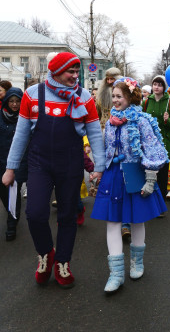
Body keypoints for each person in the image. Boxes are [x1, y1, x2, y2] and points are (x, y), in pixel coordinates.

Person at [2, 52, 105, 288]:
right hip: (40, 164)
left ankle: (63, 261)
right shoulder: (32, 94)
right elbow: (21, 135)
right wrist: (11, 168)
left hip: (70, 163)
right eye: (70, 70)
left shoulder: (84, 96)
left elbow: (95, 134)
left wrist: (99, 167)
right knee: (35, 213)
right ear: (56, 70)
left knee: (68, 215)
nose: (74, 75)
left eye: (76, 70)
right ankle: (46, 253)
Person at [91, 78, 168, 293]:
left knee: (137, 220)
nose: (115, 100)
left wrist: (151, 179)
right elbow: (106, 149)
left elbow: (154, 150)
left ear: (130, 97)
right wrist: (98, 168)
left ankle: (137, 263)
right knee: (112, 222)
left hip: (135, 174)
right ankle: (115, 274)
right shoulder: (110, 120)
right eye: (113, 96)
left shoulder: (142, 121)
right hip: (113, 175)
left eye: (119, 96)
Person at [0, 87, 27, 241]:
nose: (15, 104)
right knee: (4, 194)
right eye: (11, 101)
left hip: (17, 163)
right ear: (6, 102)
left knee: (13, 194)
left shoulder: (24, 118)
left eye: (18, 101)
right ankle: (11, 213)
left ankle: (11, 225)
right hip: (0, 161)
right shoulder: (0, 117)